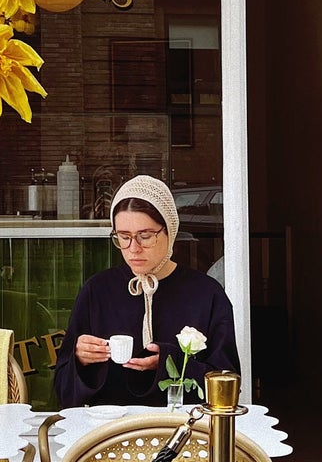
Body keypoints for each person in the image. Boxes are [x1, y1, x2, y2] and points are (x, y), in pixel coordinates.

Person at [55, 174, 239, 407]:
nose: (134, 248)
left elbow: (227, 384)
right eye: (123, 237)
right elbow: (62, 389)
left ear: (169, 231)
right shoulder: (97, 291)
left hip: (185, 431)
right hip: (106, 434)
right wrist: (80, 361)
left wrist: (169, 361)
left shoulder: (207, 294)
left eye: (145, 236)